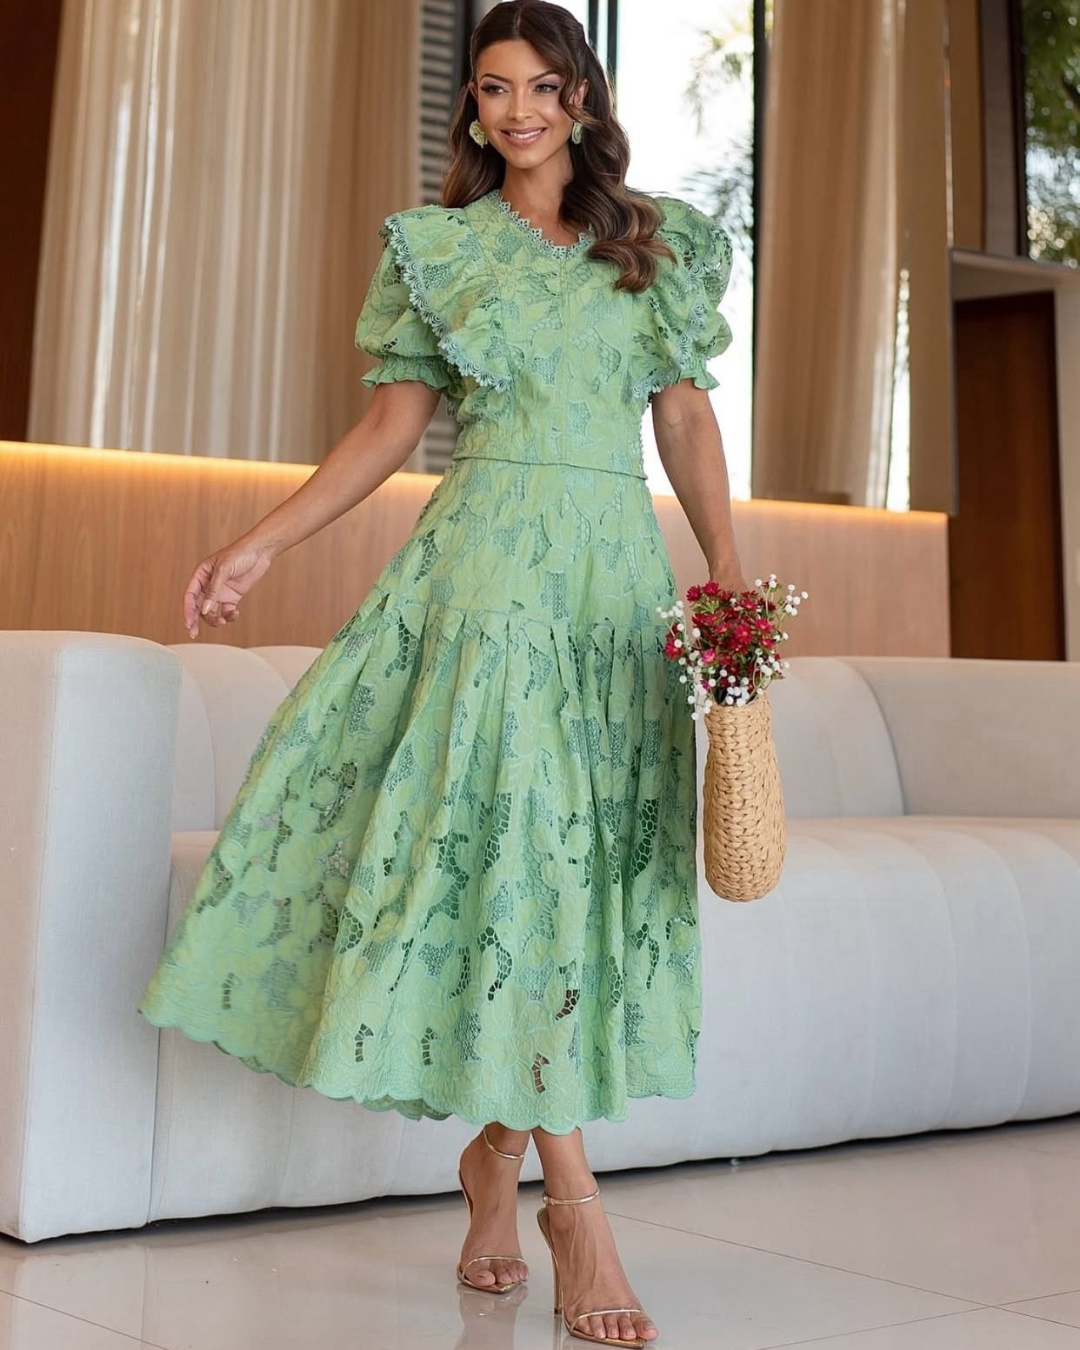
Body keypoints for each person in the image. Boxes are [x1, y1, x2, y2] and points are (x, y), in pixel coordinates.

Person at [139, 2, 747, 1344]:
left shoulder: (657, 246)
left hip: (612, 593)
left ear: (581, 98)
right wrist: (257, 542)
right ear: (472, 105)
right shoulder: (442, 249)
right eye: (493, 87)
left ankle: (492, 1158)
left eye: (542, 85)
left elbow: (687, 420)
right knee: (518, 855)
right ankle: (575, 1207)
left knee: (573, 875)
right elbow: (387, 429)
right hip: (484, 581)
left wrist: (725, 574)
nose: (518, 109)